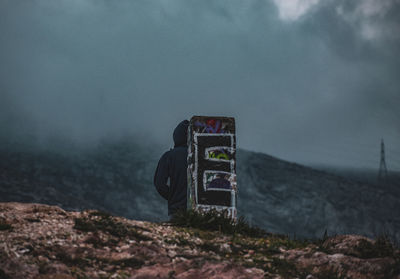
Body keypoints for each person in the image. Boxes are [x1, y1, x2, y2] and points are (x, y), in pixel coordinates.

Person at [154, 120, 189, 216]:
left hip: (177, 209)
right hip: (202, 208)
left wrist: (173, 197)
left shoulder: (169, 156)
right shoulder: (201, 154)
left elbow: (159, 184)